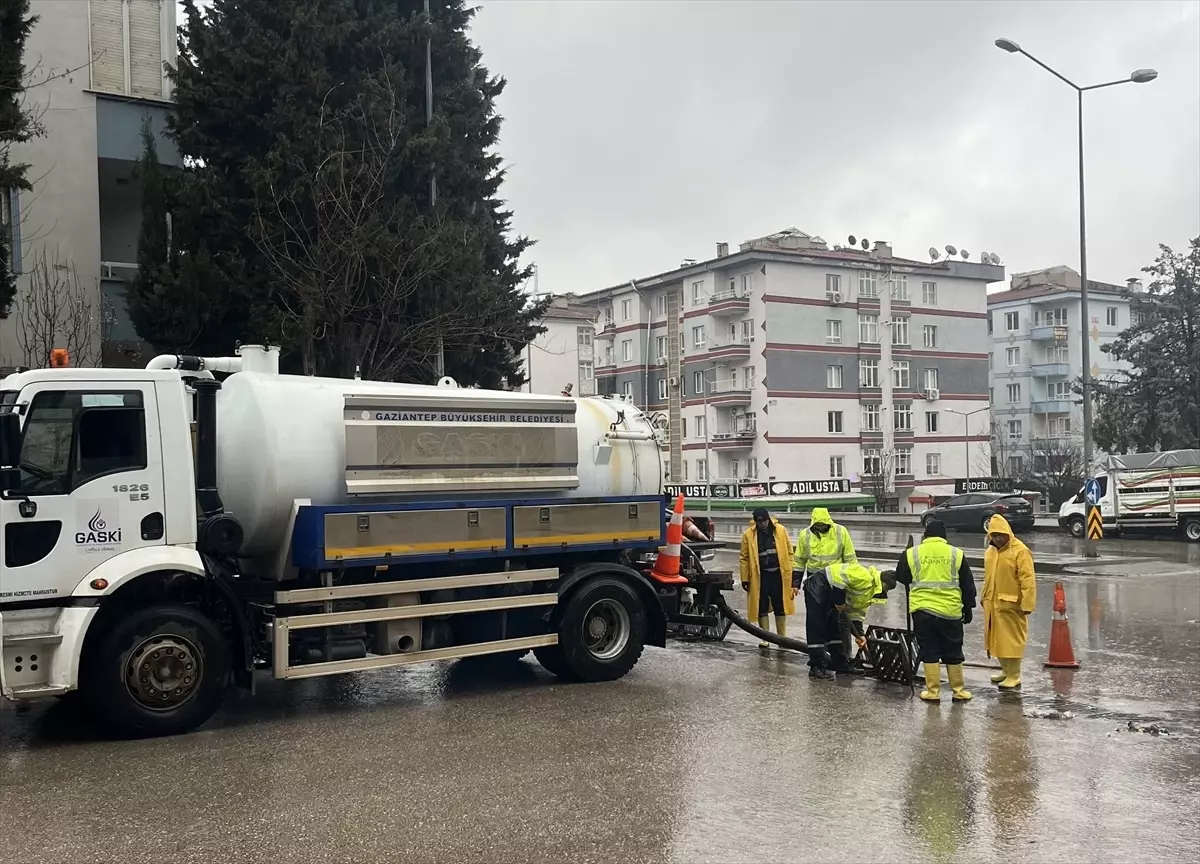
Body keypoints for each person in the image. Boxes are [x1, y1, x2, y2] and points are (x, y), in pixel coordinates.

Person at [894, 519, 977, 702]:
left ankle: (933, 692)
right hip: (950, 611)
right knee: (953, 650)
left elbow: (902, 577)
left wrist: (904, 555)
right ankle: (958, 691)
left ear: (926, 535)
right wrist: (968, 607)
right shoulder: (956, 553)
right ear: (944, 536)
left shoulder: (912, 553)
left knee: (929, 649)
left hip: (922, 611)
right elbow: (967, 585)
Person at [803, 560, 894, 679]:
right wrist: (839, 601)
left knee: (834, 629)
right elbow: (840, 580)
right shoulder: (865, 576)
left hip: (831, 593)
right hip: (818, 585)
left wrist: (859, 635)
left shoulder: (870, 593)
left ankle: (839, 663)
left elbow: (856, 614)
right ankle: (817, 667)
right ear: (883, 583)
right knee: (817, 627)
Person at [982, 514, 1036, 689]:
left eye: (1000, 534)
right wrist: (984, 597)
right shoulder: (990, 552)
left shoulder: (1020, 551)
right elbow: (988, 578)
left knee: (1012, 641)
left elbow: (1028, 580)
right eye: (994, 535)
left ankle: (1014, 675)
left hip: (1012, 605)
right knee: (996, 640)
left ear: (1008, 533)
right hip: (993, 604)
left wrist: (1027, 604)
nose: (997, 539)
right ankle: (1005, 671)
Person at [739, 508, 796, 648]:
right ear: (755, 521)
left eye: (764, 521)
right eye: (759, 522)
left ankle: (781, 637)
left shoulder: (780, 530)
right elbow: (744, 558)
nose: (763, 524)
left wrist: (792, 572)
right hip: (761, 576)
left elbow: (790, 552)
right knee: (761, 605)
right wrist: (745, 578)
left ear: (768, 519)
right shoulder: (749, 535)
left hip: (779, 575)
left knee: (780, 604)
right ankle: (765, 637)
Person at [793, 507, 857, 580]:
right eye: (818, 525)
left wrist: (853, 579)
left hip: (836, 576)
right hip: (814, 577)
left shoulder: (841, 531)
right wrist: (796, 583)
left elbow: (850, 558)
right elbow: (799, 560)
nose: (821, 528)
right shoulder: (805, 534)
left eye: (823, 525)